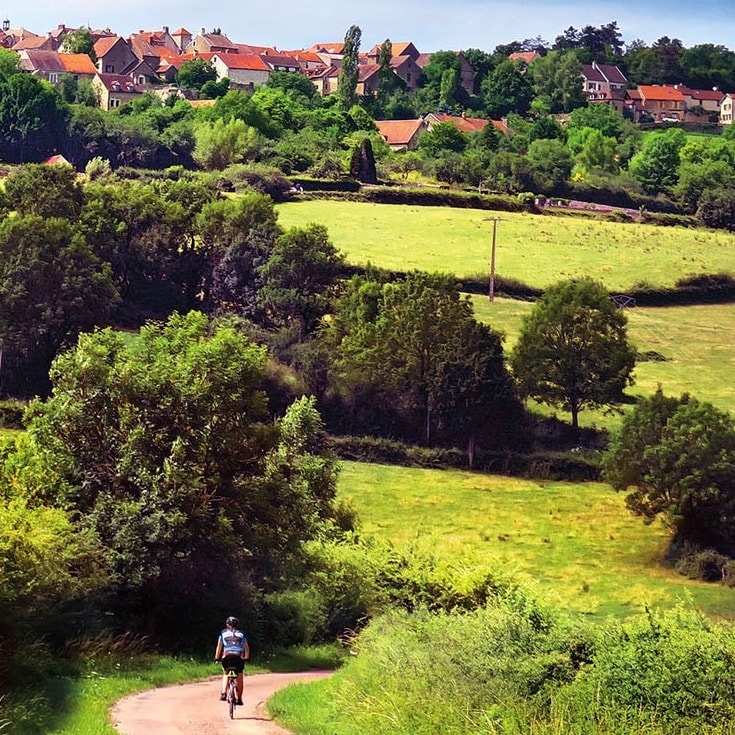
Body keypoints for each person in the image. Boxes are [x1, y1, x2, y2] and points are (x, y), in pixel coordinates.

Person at [214, 615, 250, 705]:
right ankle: (239, 699)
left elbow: (219, 647)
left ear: (227, 624)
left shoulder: (223, 633)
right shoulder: (241, 634)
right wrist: (246, 658)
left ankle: (223, 693)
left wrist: (217, 658)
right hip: (238, 657)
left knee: (226, 672)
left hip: (227, 656)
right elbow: (247, 648)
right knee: (240, 676)